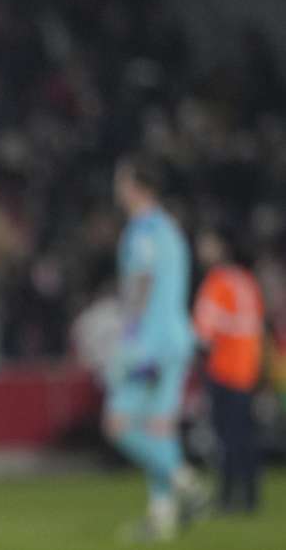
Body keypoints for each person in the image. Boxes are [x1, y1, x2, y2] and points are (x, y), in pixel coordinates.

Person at [105, 155, 205, 542]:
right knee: (158, 429)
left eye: (120, 180)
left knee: (117, 425)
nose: (117, 188)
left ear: (134, 186)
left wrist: (128, 333)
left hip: (148, 346)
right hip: (178, 340)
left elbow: (142, 281)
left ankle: (187, 483)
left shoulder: (142, 230)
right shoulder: (171, 229)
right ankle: (161, 518)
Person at [192, 229, 264, 513]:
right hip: (247, 369)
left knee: (226, 436)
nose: (202, 250)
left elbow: (203, 332)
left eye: (207, 244)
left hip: (223, 369)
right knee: (244, 434)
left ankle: (226, 497)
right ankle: (249, 496)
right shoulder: (247, 281)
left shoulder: (217, 283)